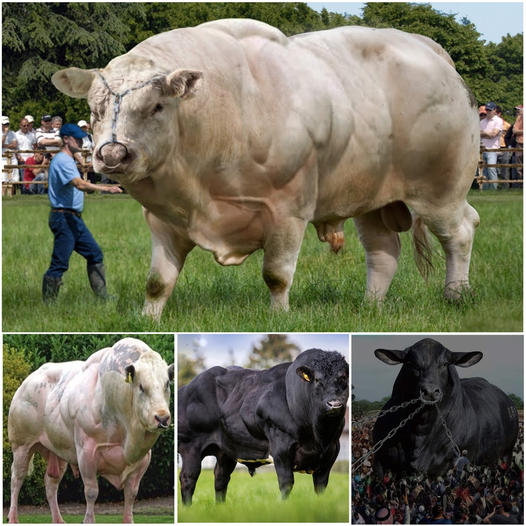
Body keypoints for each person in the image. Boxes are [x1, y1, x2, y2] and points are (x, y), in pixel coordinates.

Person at [42, 123, 122, 302]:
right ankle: (48, 304)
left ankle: (103, 297)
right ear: (66, 139)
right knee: (59, 263)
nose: (81, 141)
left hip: (73, 219)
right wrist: (105, 188)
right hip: (64, 218)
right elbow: (79, 184)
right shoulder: (62, 161)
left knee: (94, 254)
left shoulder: (68, 159)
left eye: (81, 138)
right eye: (76, 138)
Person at [479, 102, 503, 189]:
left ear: (494, 110)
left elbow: (493, 134)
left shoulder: (498, 121)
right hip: (483, 148)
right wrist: (487, 134)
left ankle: (493, 187)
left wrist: (484, 133)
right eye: (487, 110)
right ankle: (485, 189)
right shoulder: (482, 121)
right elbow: (479, 133)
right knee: (484, 170)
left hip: (493, 149)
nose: (488, 112)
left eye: (490, 110)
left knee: (491, 168)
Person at [15, 117, 37, 192]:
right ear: (20, 125)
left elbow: (35, 147)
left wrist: (34, 157)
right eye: (24, 125)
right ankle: (24, 193)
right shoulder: (16, 135)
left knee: (32, 177)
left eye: (27, 125)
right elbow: (15, 149)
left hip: (31, 160)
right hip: (22, 160)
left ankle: (31, 192)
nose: (26, 127)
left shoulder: (32, 135)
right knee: (23, 178)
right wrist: (19, 157)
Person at [2, 115, 19, 195]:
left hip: (12, 158)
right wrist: (5, 134)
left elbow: (15, 145)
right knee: (3, 179)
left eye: (7, 124)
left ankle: (10, 196)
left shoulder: (12, 133)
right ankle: (2, 195)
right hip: (2, 159)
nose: (6, 126)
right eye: (4, 124)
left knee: (12, 179)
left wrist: (5, 145)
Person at [496, 106, 511, 189]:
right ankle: (494, 186)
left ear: (499, 114)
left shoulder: (507, 125)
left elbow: (510, 136)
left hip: (504, 147)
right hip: (494, 147)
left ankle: (505, 186)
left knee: (505, 168)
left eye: (496, 113)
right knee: (493, 168)